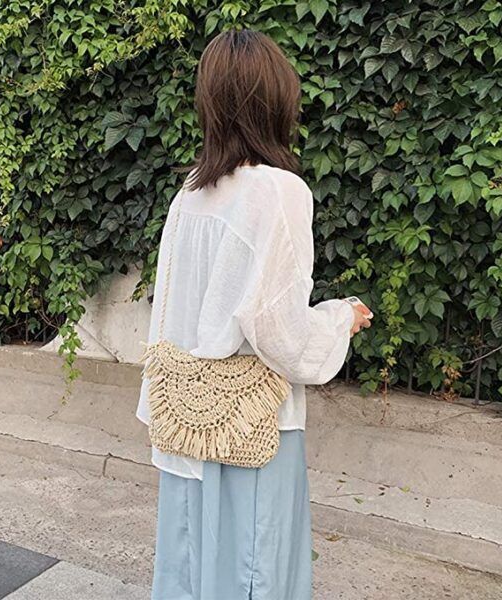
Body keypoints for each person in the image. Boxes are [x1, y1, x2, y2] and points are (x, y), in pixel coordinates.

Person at [136, 28, 372, 600]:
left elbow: (171, 310)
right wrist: (341, 319)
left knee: (190, 572)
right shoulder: (277, 190)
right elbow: (278, 331)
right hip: (251, 424)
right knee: (255, 572)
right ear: (276, 100)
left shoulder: (190, 193)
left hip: (187, 421)